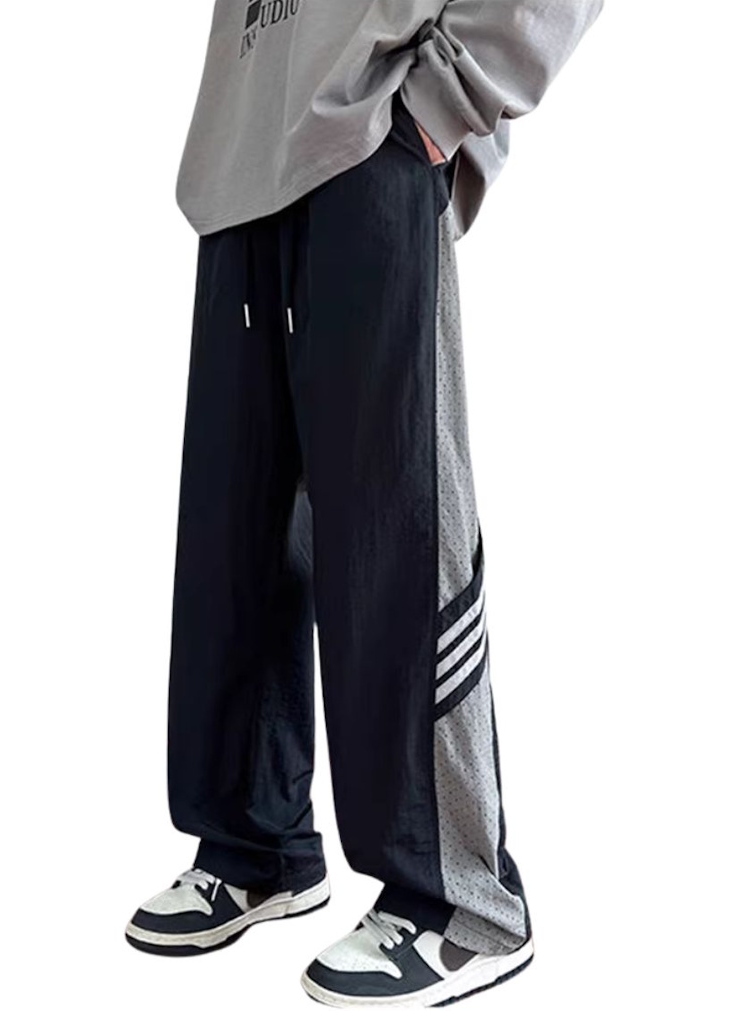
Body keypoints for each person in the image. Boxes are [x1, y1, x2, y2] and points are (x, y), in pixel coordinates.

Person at [125, 2, 604, 1005]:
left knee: (395, 527)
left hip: (374, 127)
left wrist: (447, 97)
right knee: (236, 538)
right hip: (245, 153)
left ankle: (458, 900)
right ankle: (255, 845)